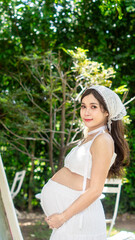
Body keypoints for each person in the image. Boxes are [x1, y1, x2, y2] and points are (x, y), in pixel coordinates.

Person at [40, 85, 129, 240]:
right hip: (71, 222)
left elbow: (96, 189)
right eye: (83, 106)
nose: (86, 112)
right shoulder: (90, 137)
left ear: (107, 111)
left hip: (78, 221)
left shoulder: (103, 140)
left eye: (93, 107)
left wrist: (62, 217)